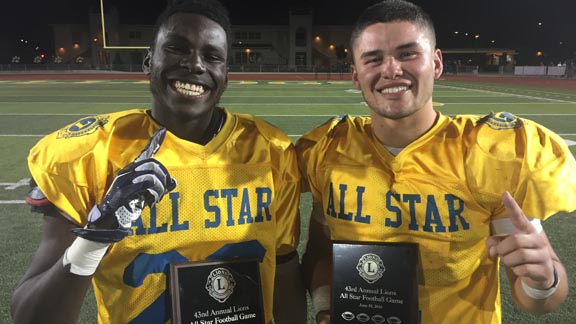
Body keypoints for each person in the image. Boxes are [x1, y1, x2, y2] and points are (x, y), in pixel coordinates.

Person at [11, 0, 307, 323]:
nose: (195, 64)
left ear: (225, 76)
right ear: (148, 61)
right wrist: (94, 239)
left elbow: (285, 270)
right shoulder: (93, 154)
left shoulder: (271, 150)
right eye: (177, 48)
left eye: (212, 57)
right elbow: (30, 316)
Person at [296, 0, 575, 323]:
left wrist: (543, 281)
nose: (391, 69)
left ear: (437, 63)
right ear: (356, 75)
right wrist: (325, 308)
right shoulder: (330, 150)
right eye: (373, 59)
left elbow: (539, 299)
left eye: (407, 54)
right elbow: (320, 253)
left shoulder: (491, 152)